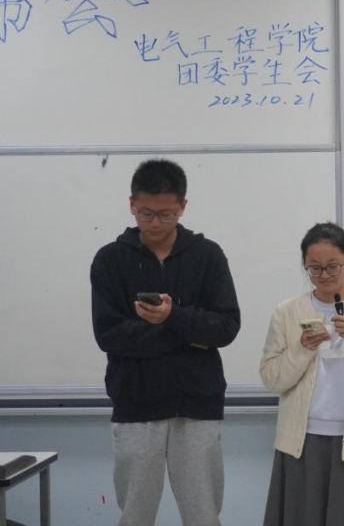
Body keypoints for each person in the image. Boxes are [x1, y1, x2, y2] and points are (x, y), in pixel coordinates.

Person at [90, 158, 241, 526]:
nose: (155, 223)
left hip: (198, 403)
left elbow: (225, 327)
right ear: (132, 204)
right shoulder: (110, 260)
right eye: (146, 213)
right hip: (136, 402)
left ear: (183, 207)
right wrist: (187, 333)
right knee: (135, 515)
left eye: (166, 214)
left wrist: (173, 316)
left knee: (203, 514)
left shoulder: (208, 256)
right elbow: (109, 334)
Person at [260, 222, 344, 526]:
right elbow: (271, 378)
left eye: (333, 266)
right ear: (305, 266)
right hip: (301, 443)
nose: (324, 275)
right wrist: (301, 349)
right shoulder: (287, 312)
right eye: (315, 268)